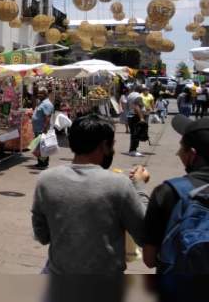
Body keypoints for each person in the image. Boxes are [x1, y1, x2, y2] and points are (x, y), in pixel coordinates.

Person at [31, 114, 151, 274]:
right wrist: (139, 185)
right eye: (112, 145)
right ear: (103, 146)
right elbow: (145, 233)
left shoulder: (46, 179)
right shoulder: (119, 185)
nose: (113, 150)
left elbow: (42, 235)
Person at [143, 115, 209, 274]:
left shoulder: (168, 192)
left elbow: (149, 259)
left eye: (181, 148)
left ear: (192, 154)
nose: (178, 154)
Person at [32, 87, 55, 169]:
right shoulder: (41, 103)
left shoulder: (46, 104)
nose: (39, 95)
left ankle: (43, 164)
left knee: (43, 147)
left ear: (46, 94)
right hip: (38, 129)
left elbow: (47, 118)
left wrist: (45, 129)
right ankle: (40, 162)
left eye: (41, 93)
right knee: (39, 146)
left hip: (42, 129)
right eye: (38, 93)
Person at [127, 85, 146, 157]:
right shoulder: (138, 96)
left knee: (133, 133)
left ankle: (133, 149)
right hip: (135, 116)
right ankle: (133, 150)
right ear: (140, 90)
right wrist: (141, 117)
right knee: (136, 134)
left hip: (130, 115)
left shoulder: (130, 95)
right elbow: (137, 107)